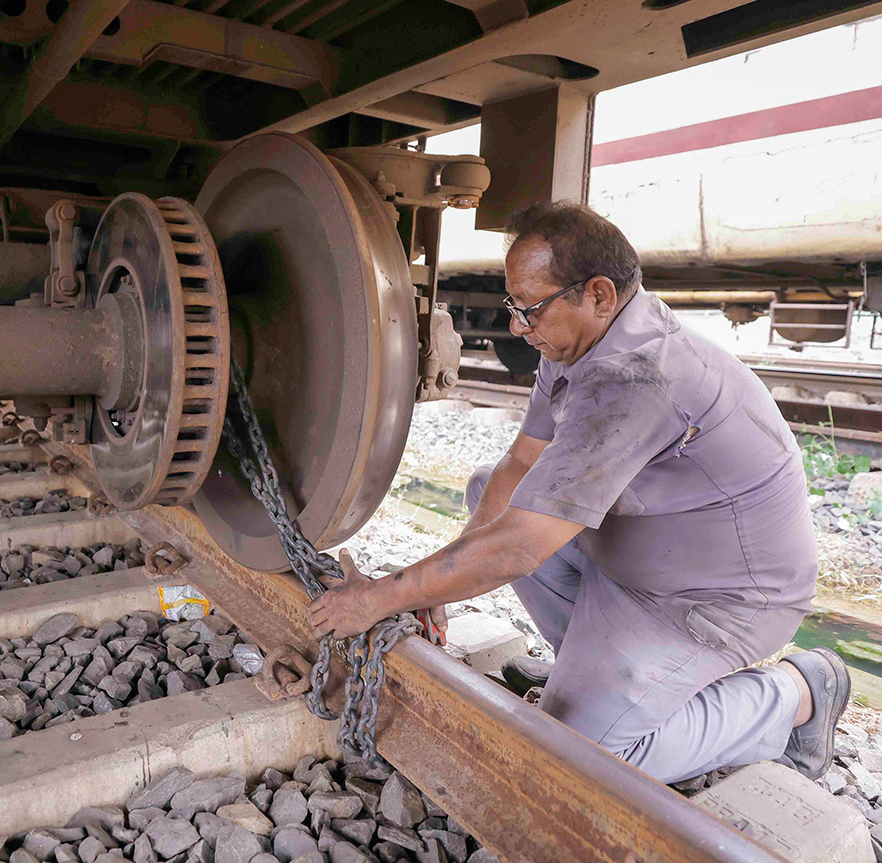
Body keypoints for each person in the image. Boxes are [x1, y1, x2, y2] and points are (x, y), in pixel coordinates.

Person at [310, 201, 849, 785]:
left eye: (531, 309)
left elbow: (519, 549)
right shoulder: (582, 344)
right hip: (644, 567)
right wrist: (434, 587)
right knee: (489, 489)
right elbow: (519, 463)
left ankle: (793, 693)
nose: (518, 326)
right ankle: (619, 675)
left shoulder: (636, 378)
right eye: (514, 307)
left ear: (598, 294)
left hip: (715, 605)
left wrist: (382, 597)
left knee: (586, 755)